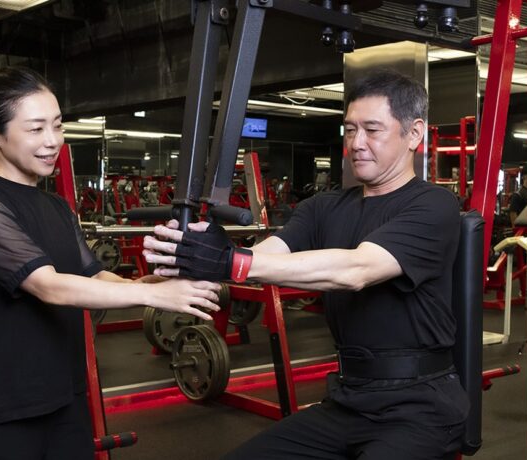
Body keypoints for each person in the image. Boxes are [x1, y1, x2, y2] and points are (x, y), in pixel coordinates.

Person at [144, 69, 468, 459]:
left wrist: (231, 262)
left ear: (414, 134)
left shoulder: (434, 205)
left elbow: (357, 270)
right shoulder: (324, 206)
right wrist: (197, 259)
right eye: (350, 130)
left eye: (372, 130)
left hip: (419, 407)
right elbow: (269, 254)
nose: (357, 143)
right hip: (348, 402)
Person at [0, 67, 221, 460]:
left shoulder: (58, 207)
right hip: (5, 403)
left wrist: (148, 284)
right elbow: (48, 285)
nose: (52, 141)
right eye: (36, 129)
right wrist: (156, 297)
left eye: (57, 126)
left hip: (64, 392)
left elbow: (91, 273)